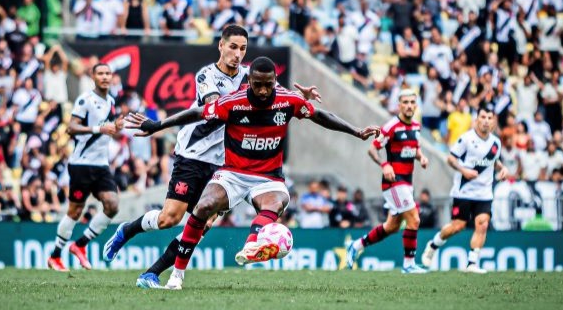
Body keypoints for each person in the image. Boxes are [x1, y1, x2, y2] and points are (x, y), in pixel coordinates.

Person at [127, 56, 380, 289]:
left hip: (269, 178)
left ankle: (252, 245)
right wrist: (158, 125)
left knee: (278, 201)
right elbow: (196, 113)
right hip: (233, 174)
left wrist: (356, 131)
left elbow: (322, 116)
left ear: (274, 81)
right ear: (249, 80)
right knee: (204, 207)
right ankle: (176, 275)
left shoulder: (287, 101)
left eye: (267, 85)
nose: (262, 90)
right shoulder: (233, 103)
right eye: (257, 84)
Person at [102, 25, 320, 289]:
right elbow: (217, 107)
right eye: (232, 47)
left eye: (242, 49)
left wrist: (298, 97)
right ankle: (127, 230)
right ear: (220, 45)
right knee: (169, 218)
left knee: (201, 225)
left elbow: (275, 96)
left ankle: (153, 273)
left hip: (226, 164)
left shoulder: (251, 77)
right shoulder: (206, 75)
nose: (237, 54)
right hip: (194, 154)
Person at [46, 63, 124, 272]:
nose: (105, 77)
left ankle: (80, 245)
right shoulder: (85, 100)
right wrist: (100, 128)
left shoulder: (111, 101)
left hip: (101, 165)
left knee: (113, 205)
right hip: (81, 164)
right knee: (75, 211)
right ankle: (55, 256)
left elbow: (108, 129)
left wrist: (116, 127)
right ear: (93, 76)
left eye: (108, 73)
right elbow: (71, 128)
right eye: (101, 73)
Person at [346, 89, 430, 274]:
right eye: (405, 102)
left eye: (412, 102)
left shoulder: (416, 126)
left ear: (416, 105)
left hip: (407, 182)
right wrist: (384, 164)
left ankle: (356, 245)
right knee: (414, 220)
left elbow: (414, 149)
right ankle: (408, 265)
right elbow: (372, 149)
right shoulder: (391, 126)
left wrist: (421, 157)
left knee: (391, 227)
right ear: (399, 105)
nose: (409, 106)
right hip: (393, 182)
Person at [421, 104, 508, 274]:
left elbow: (493, 161)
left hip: (484, 193)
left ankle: (472, 263)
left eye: (489, 118)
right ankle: (432, 245)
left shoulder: (496, 142)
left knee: (482, 225)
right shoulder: (466, 139)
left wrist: (502, 168)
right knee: (457, 226)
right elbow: (451, 159)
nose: (486, 121)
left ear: (493, 122)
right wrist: (464, 171)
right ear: (476, 120)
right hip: (464, 191)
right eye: (483, 117)